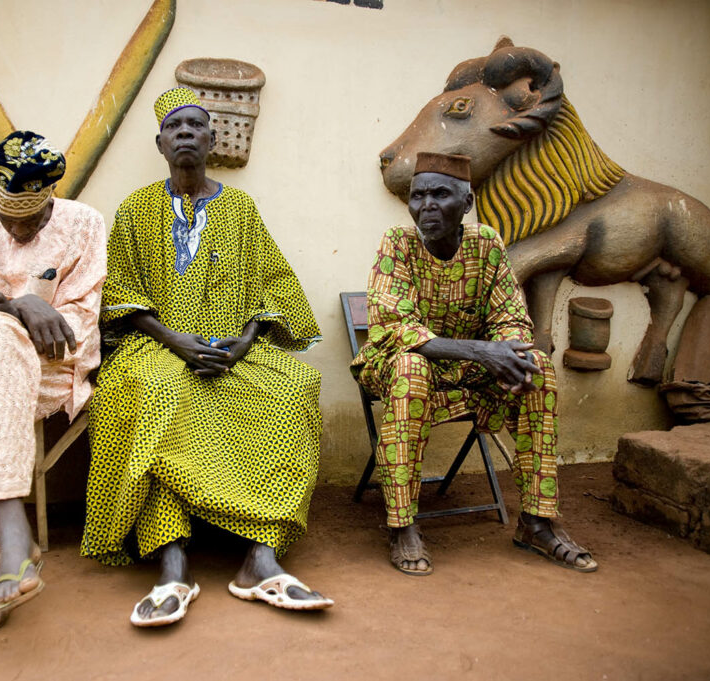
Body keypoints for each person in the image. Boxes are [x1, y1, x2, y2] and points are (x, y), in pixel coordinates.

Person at [81, 88, 333, 627]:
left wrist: (242, 344)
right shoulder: (135, 208)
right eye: (177, 127)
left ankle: (260, 560)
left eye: (198, 125)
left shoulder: (240, 208)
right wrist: (175, 341)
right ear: (160, 142)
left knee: (291, 389)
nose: (188, 133)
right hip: (155, 343)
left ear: (214, 139)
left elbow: (274, 282)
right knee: (157, 391)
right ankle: (173, 563)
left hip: (231, 344)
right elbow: (121, 293)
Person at [351, 151, 598, 576]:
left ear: (465, 204)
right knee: (413, 370)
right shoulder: (399, 243)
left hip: (464, 372)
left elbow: (509, 316)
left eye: (440, 195)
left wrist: (511, 352)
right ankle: (403, 525)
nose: (425, 206)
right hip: (397, 366)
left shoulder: (487, 245)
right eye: (418, 196)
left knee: (536, 368)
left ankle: (536, 523)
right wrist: (482, 351)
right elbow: (397, 330)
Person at [0, 131, 106, 642]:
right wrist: (23, 306)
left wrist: (5, 308)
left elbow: (76, 328)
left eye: (29, 219)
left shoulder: (85, 225)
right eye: (6, 217)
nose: (16, 228)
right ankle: (11, 533)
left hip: (50, 370)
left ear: (50, 198)